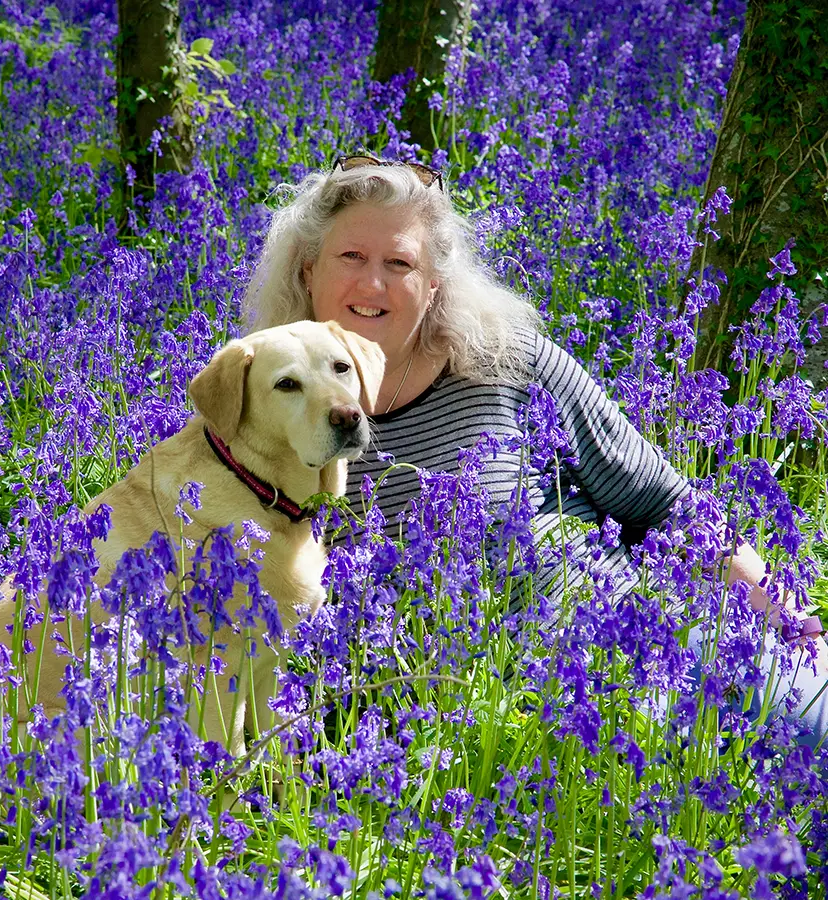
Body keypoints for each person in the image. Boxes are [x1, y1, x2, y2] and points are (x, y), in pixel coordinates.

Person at [241, 154, 828, 744]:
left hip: (646, 644)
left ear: (434, 283)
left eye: (400, 263)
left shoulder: (506, 363)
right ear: (308, 270)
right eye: (351, 257)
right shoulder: (259, 415)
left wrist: (794, 625)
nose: (373, 284)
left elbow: (669, 506)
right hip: (472, 737)